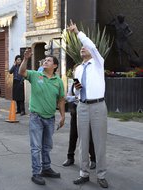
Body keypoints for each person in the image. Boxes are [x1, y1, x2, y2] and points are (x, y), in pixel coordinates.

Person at [67, 20, 109, 188]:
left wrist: (77, 32)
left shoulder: (98, 63)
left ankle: (101, 175)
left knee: (99, 142)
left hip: (98, 106)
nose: (83, 48)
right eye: (81, 47)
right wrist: (76, 94)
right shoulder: (78, 69)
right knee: (83, 142)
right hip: (82, 106)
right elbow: (78, 89)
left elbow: (90, 44)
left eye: (85, 47)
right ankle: (83, 173)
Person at [19, 50, 65, 186]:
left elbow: (61, 99)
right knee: (36, 147)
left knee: (47, 146)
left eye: (49, 60)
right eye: (45, 60)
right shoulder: (35, 75)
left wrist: (63, 116)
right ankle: (36, 173)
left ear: (55, 66)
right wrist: (25, 59)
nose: (45, 61)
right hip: (36, 117)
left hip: (50, 118)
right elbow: (22, 72)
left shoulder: (58, 81)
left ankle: (46, 168)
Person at [62, 80, 96, 169]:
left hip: (86, 111)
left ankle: (93, 159)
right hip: (75, 110)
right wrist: (76, 98)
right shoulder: (73, 85)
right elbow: (67, 97)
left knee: (88, 136)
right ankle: (70, 157)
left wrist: (76, 98)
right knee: (73, 135)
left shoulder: (89, 84)